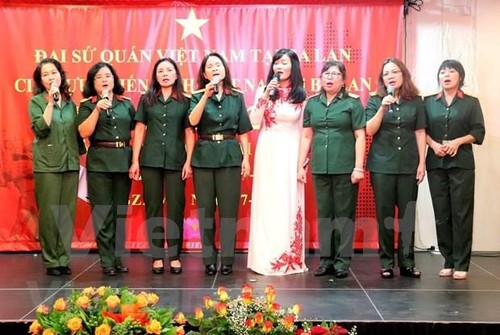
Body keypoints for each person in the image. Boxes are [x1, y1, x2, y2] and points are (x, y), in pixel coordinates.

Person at [297, 61, 366, 279]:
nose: (330, 77)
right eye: (326, 74)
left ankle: (342, 261)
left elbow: (360, 136)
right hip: (320, 167)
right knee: (325, 214)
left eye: (335, 74)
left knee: (344, 215)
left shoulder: (353, 103)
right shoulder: (312, 104)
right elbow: (307, 136)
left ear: (343, 80)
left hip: (345, 167)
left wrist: (358, 167)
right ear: (320, 78)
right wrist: (300, 165)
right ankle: (326, 260)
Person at [129, 58, 195, 275]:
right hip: (150, 160)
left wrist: (188, 161)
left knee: (176, 206)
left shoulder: (185, 101)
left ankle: (175, 255)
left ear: (176, 75)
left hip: (177, 161)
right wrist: (136, 160)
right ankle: (157, 256)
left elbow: (188, 132)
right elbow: (139, 129)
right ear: (155, 76)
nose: (165, 74)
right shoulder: (147, 100)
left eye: (169, 70)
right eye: (160, 71)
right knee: (154, 207)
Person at [188, 52, 252, 276]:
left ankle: (227, 259)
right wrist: (205, 95)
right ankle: (208, 258)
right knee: (206, 210)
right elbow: (192, 122)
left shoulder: (236, 96)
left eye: (218, 65)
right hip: (204, 156)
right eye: (210, 66)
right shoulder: (196, 96)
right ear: (204, 74)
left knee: (228, 211)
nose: (215, 68)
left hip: (229, 154)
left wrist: (246, 158)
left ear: (225, 69)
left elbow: (243, 131)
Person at [247, 48, 308, 275]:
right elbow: (252, 121)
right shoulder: (264, 91)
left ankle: (289, 256)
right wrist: (264, 95)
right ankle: (264, 257)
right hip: (268, 149)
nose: (279, 67)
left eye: (283, 62)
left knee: (289, 202)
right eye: (276, 62)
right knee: (268, 202)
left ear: (293, 65)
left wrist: (303, 163)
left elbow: (305, 132)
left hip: (291, 150)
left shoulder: (301, 96)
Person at [365, 57, 426, 279]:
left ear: (403, 74)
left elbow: (420, 131)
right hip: (382, 165)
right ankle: (387, 262)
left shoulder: (416, 101)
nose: (390, 76)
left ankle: (408, 262)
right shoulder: (375, 100)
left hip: (409, 164)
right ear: (382, 79)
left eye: (395, 72)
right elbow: (369, 130)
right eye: (386, 73)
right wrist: (382, 108)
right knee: (385, 215)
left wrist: (422, 162)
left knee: (407, 214)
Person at [424, 60, 485, 280]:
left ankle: (462, 262)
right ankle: (448, 260)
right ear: (438, 76)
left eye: (452, 71)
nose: (446, 75)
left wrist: (458, 141)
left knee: (461, 212)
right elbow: (422, 130)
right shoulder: (429, 102)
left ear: (460, 76)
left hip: (462, 164)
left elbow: (479, 131)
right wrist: (433, 144)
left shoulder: (471, 103)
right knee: (442, 213)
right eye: (443, 71)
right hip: (436, 163)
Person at [77, 62, 136, 276]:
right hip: (99, 161)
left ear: (114, 79)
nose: (104, 79)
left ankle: (119, 257)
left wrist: (135, 161)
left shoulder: (126, 103)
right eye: (99, 77)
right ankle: (107, 260)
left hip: (123, 160)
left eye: (108, 76)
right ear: (93, 82)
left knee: (119, 212)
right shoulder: (87, 104)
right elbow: (84, 132)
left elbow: (135, 132)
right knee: (103, 212)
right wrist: (97, 110)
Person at [29, 58, 85, 276]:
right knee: (49, 215)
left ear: (61, 75)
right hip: (47, 165)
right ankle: (51, 260)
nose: (51, 77)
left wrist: (82, 158)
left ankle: (63, 258)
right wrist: (51, 103)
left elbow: (76, 134)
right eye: (46, 74)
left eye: (54, 72)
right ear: (41, 80)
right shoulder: (37, 102)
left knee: (66, 215)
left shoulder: (71, 103)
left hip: (70, 163)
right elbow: (41, 129)